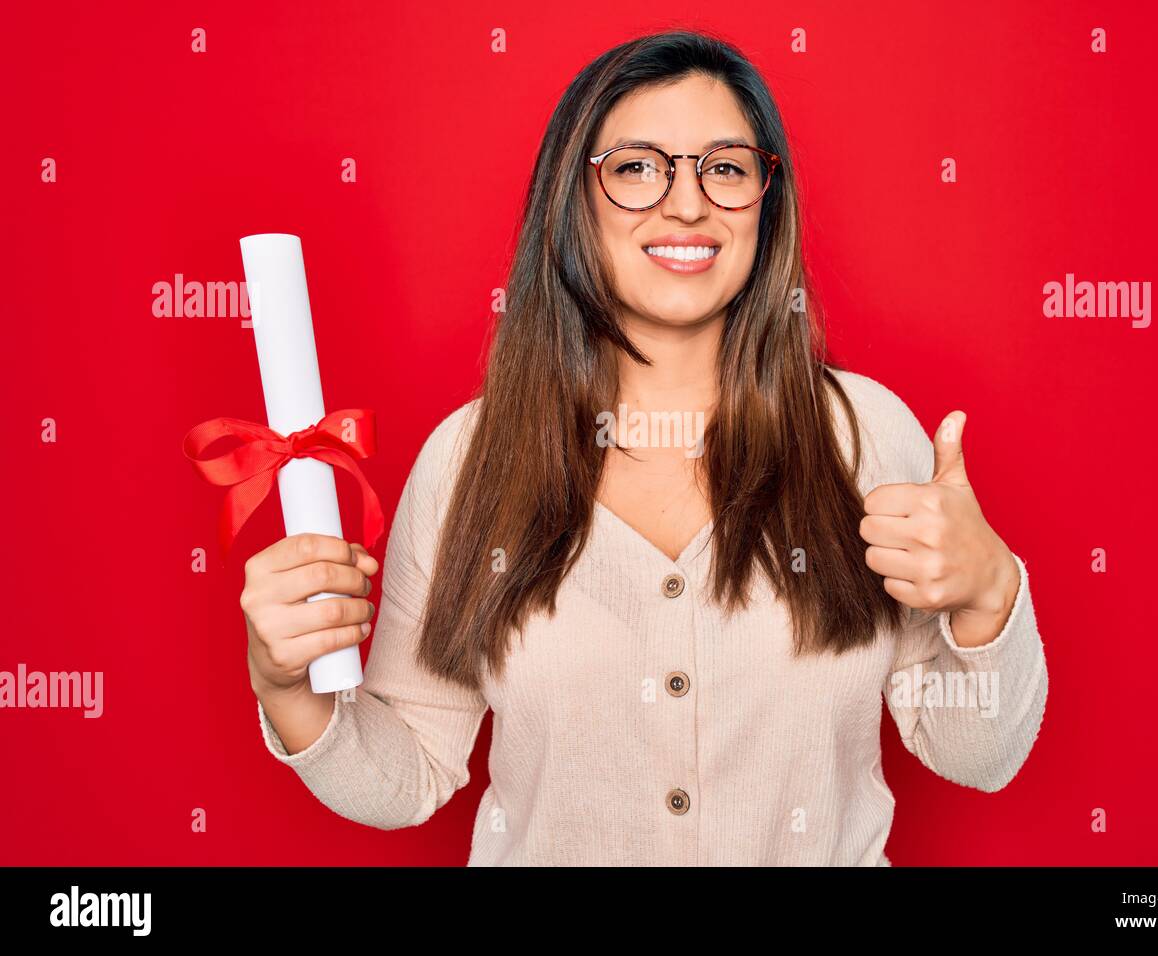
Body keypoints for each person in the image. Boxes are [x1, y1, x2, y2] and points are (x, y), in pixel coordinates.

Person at [243, 29, 1048, 866]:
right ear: (573, 200)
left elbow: (977, 756)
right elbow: (406, 769)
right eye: (636, 168)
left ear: (765, 203)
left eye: (726, 168)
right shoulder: (468, 460)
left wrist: (988, 591)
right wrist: (287, 685)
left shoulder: (864, 437)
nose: (687, 203)